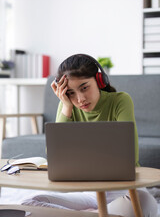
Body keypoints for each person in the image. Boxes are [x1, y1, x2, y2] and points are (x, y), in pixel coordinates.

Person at [22, 54, 158, 217]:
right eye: (71, 92)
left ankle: (87, 214)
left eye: (84, 87)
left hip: (123, 190)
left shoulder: (120, 101)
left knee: (145, 203)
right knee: (30, 202)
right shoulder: (67, 106)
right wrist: (66, 107)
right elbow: (55, 156)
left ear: (100, 81)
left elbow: (131, 156)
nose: (80, 99)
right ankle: (97, 214)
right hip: (88, 193)